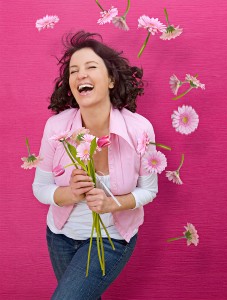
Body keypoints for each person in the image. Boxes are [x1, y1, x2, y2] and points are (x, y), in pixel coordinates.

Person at [32, 30, 158, 300]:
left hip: (112, 239)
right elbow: (40, 188)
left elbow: (149, 190)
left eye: (91, 67)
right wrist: (69, 194)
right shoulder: (56, 126)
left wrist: (113, 203)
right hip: (60, 237)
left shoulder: (139, 129)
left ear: (111, 80)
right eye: (74, 71)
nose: (80, 75)